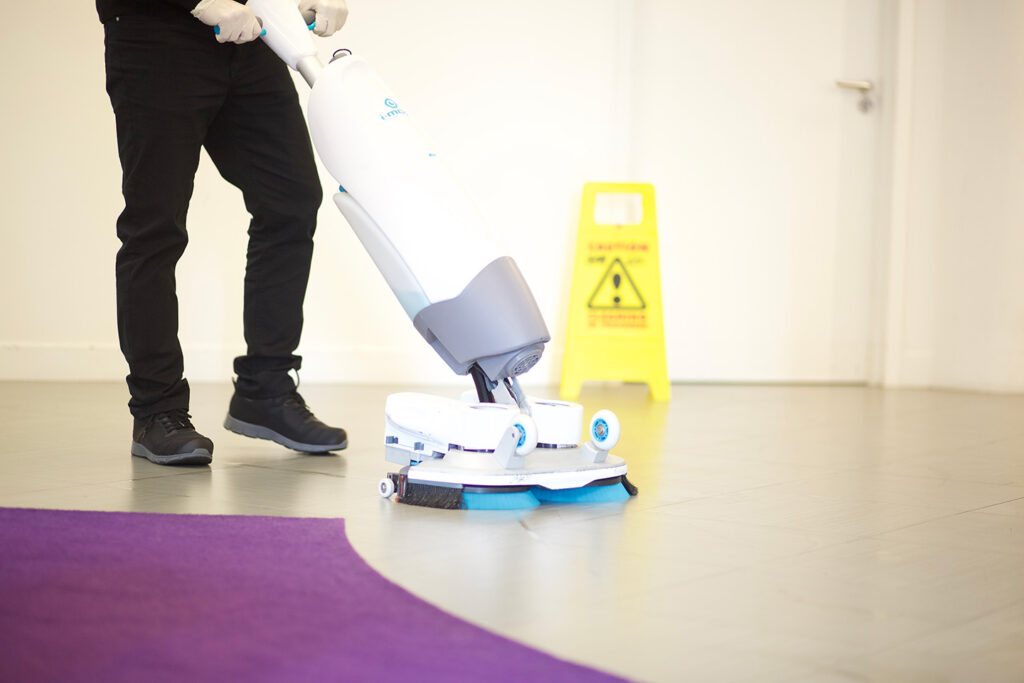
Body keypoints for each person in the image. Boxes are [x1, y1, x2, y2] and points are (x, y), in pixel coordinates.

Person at [96, 0, 349, 465]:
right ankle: (157, 411)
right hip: (156, 34)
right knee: (156, 227)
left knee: (290, 202)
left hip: (251, 34)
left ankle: (265, 389)